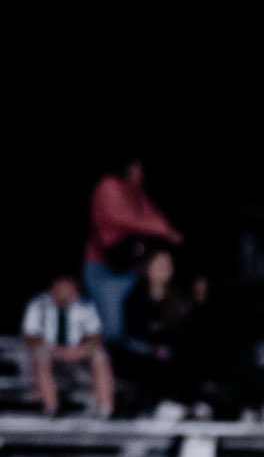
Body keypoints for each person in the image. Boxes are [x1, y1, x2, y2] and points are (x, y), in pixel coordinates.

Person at [84, 157, 180, 342]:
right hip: (103, 268)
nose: (139, 172)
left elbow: (151, 213)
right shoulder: (109, 185)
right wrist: (165, 230)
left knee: (133, 323)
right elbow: (125, 218)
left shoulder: (136, 192)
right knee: (112, 329)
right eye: (135, 167)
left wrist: (169, 229)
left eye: (140, 168)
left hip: (130, 267)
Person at [22, 274, 114, 418]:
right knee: (41, 355)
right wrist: (58, 351)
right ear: (53, 289)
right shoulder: (38, 305)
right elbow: (31, 337)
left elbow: (95, 336)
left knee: (100, 355)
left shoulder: (85, 305)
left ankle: (105, 409)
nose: (66, 293)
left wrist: (80, 350)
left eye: (70, 289)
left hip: (77, 353)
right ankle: (51, 407)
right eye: (62, 289)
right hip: (49, 352)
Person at [117, 247, 195, 415]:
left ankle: (187, 405)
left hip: (174, 356)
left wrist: (170, 349)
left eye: (168, 265)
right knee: (152, 362)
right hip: (143, 355)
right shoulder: (134, 298)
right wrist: (152, 349)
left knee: (183, 358)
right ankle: (149, 407)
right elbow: (130, 337)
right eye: (159, 264)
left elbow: (185, 334)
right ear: (147, 268)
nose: (164, 269)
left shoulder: (180, 299)